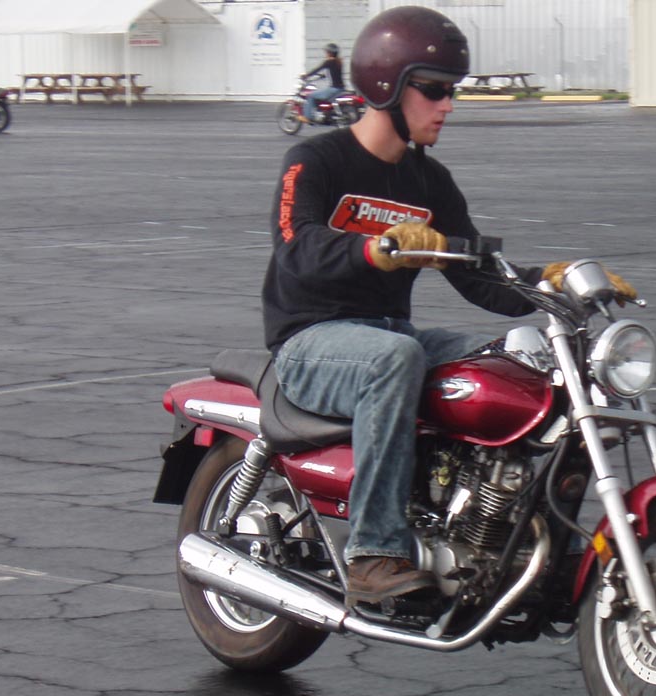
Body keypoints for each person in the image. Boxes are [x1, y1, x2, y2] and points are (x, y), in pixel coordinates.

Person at [261, 5, 634, 611]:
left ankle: (518, 540)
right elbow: (295, 247)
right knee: (394, 358)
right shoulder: (316, 161)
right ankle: (372, 552)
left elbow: (480, 278)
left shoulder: (429, 182)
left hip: (389, 334)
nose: (448, 105)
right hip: (311, 340)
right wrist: (374, 248)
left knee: (524, 363)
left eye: (450, 91)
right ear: (386, 85)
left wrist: (555, 282)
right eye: (434, 90)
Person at [300, 43, 345, 124]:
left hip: (333, 88)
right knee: (318, 96)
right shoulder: (338, 61)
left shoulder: (329, 62)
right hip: (340, 88)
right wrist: (322, 76)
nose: (326, 54)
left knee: (310, 95)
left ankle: (307, 117)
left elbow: (317, 69)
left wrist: (306, 75)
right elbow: (334, 73)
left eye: (327, 52)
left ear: (330, 53)